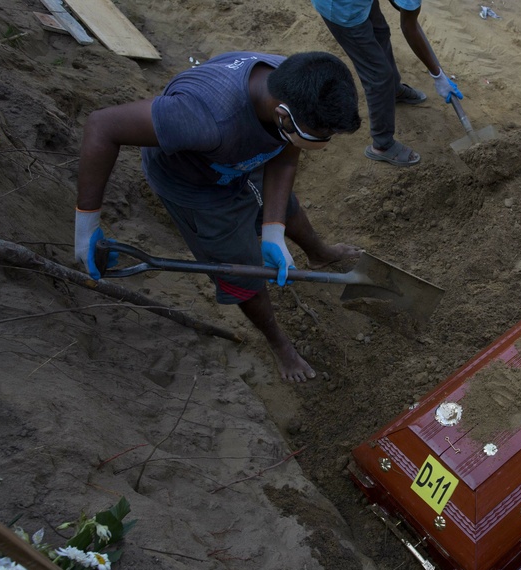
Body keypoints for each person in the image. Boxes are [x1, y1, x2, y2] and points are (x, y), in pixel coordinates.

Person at [74, 51, 363, 382]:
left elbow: (284, 156)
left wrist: (272, 230)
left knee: (287, 209)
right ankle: (278, 343)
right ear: (283, 116)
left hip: (238, 157)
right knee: (243, 271)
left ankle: (319, 254)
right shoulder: (202, 116)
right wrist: (87, 226)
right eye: (322, 135)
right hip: (196, 187)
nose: (326, 141)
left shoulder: (298, 82)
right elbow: (102, 125)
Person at [312, 0, 464, 167]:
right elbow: (410, 26)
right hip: (341, 8)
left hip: (359, 4)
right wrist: (438, 75)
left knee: (381, 33)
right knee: (377, 75)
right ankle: (382, 145)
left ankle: (393, 90)